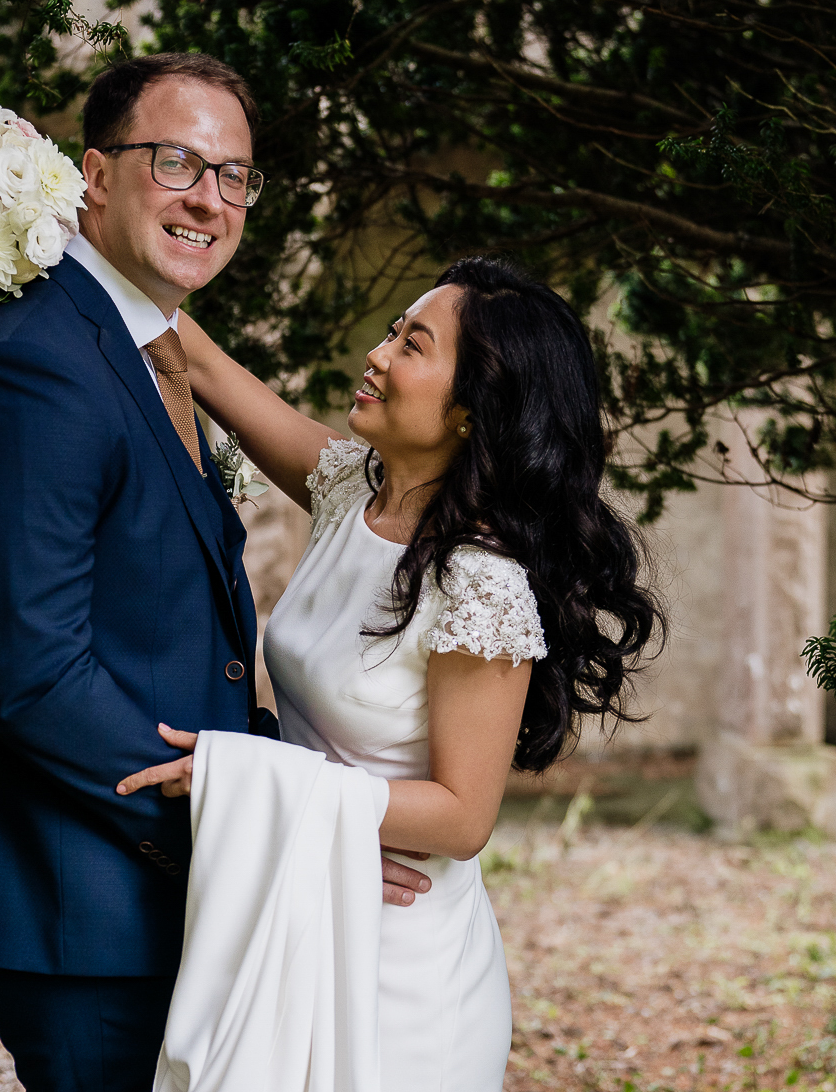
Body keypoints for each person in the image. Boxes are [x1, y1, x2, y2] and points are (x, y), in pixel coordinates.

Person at [0, 51, 429, 1092]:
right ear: (93, 174)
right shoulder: (37, 366)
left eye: (234, 176)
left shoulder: (131, 342)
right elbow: (35, 676)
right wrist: (260, 835)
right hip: (82, 898)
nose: (210, 199)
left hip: (138, 891)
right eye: (177, 162)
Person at [120, 256, 663, 1090]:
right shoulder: (351, 490)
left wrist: (269, 790)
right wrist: (60, 226)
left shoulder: (479, 579)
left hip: (401, 970)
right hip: (305, 903)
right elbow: (199, 360)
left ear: (475, 410)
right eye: (391, 332)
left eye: (413, 344)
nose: (378, 354)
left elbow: (462, 816)